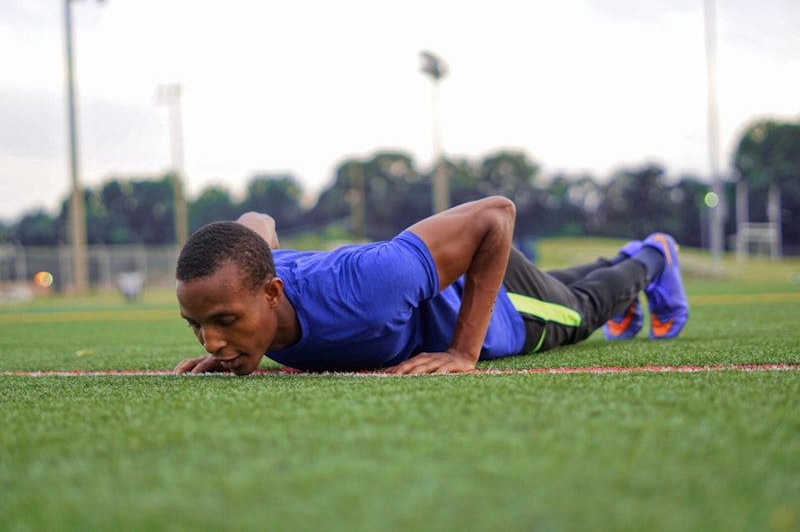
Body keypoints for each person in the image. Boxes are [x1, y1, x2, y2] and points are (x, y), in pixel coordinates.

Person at [173, 196, 688, 376]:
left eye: (225, 322)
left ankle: (654, 255)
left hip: (493, 300)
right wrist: (236, 339)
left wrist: (464, 350)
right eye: (197, 326)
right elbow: (257, 221)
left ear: (271, 293)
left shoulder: (365, 288)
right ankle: (627, 259)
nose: (212, 343)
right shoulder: (254, 276)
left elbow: (496, 215)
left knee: (579, 311)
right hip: (450, 278)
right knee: (560, 289)